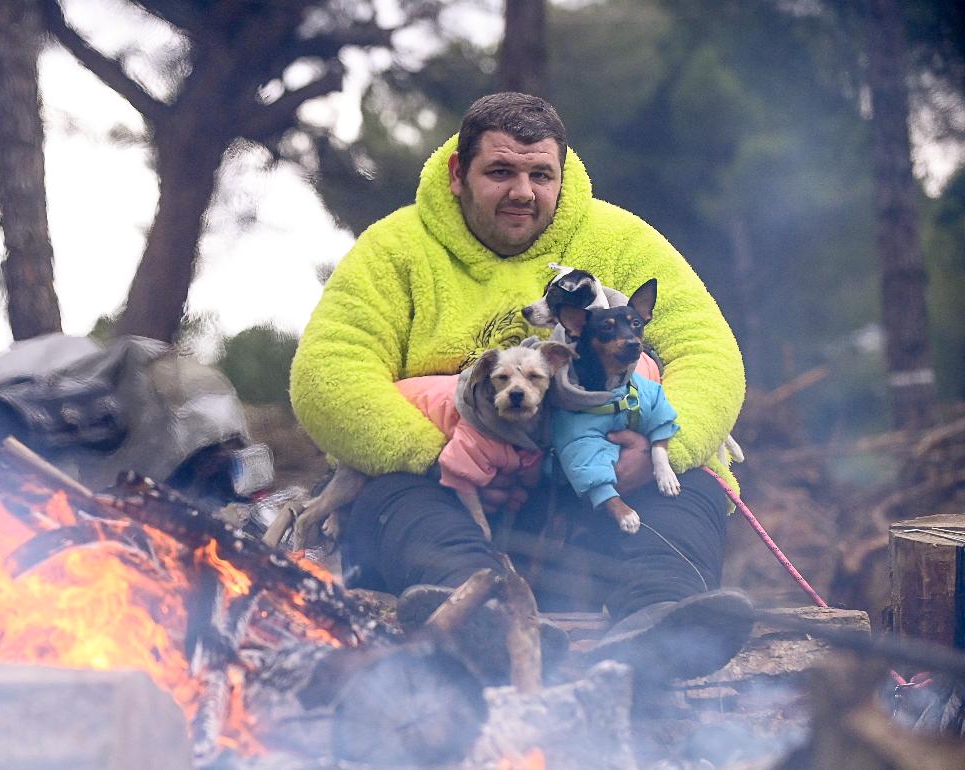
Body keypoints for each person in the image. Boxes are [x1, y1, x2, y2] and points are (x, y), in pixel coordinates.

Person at [289, 92, 752, 684]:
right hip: (447, 497)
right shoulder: (394, 249)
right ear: (458, 173)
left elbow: (708, 352)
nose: (523, 192)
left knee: (683, 475)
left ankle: (660, 621)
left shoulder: (622, 240)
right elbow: (328, 374)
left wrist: (659, 449)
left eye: (541, 174)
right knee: (392, 495)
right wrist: (444, 459)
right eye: (500, 172)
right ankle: (478, 622)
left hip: (595, 491)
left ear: (563, 174)